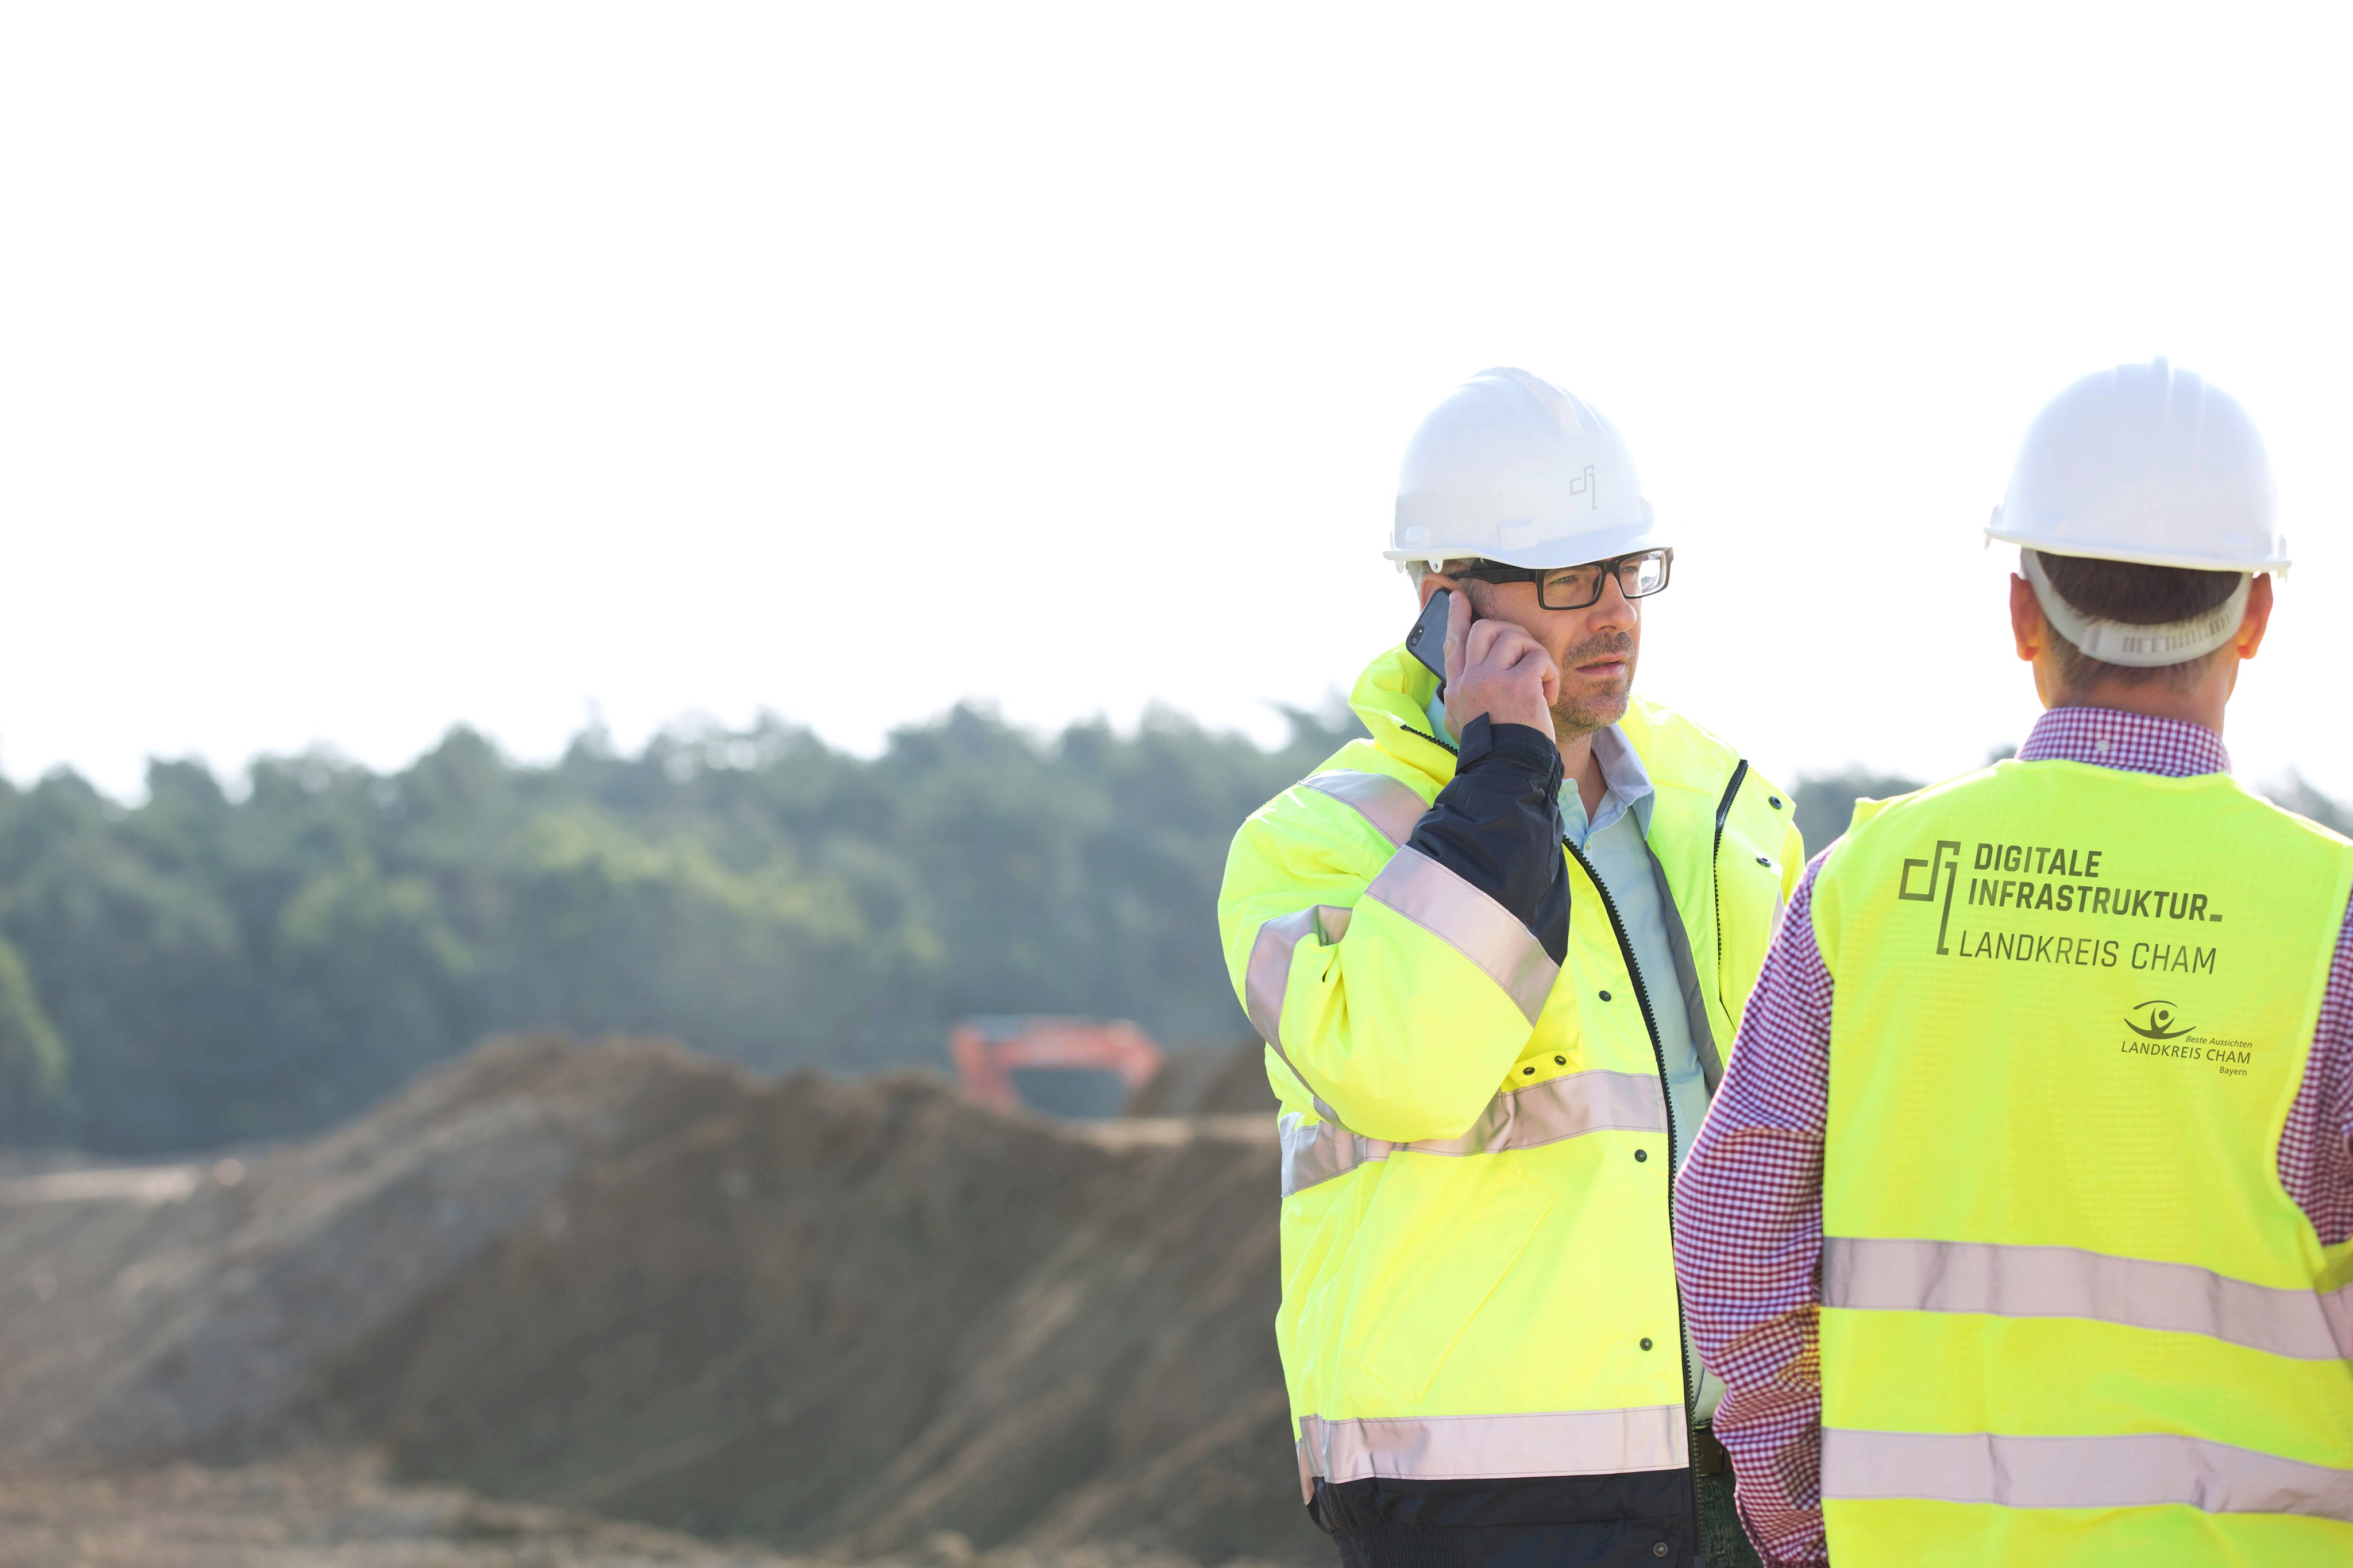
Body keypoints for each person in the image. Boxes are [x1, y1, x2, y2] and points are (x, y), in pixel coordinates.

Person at [1673, 358, 2353, 1566]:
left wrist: (1800, 1520)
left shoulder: (1861, 887)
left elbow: (1732, 1233)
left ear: (2018, 612)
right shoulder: (2328, 920)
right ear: (2255, 614)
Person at [1219, 366, 1803, 1567]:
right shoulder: (1311, 846)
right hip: (1483, 1497)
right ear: (1446, 604)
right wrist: (1503, 776)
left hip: (1736, 1467)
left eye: (1626, 572)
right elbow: (1406, 1067)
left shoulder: (1723, 805)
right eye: (1566, 581)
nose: (1613, 613)